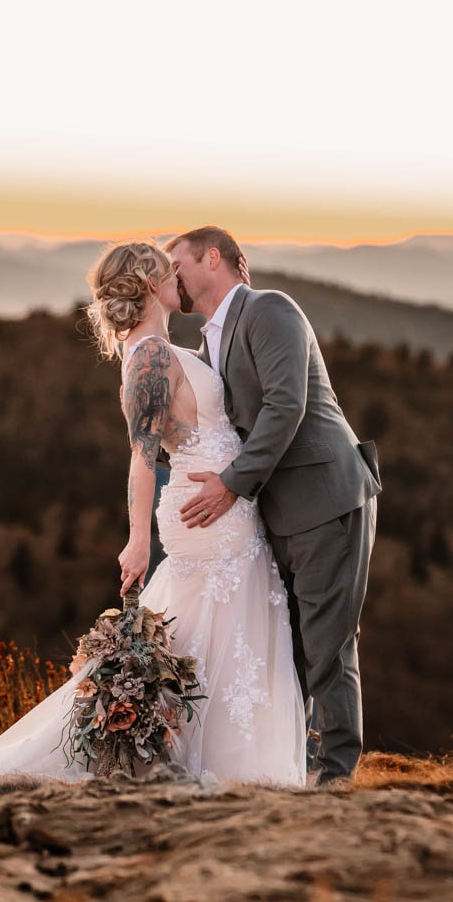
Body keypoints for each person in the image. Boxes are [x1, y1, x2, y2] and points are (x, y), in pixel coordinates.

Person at [0, 241, 306, 789]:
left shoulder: (161, 348)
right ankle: (222, 769)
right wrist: (137, 538)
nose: (178, 281)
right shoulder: (147, 357)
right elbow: (143, 457)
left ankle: (213, 761)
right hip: (203, 517)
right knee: (218, 630)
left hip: (225, 509)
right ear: (147, 285)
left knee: (213, 637)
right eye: (168, 272)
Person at [164, 226, 381, 787]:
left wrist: (231, 484)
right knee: (291, 649)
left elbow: (286, 405)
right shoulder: (210, 340)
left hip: (324, 498)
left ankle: (334, 777)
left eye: (177, 262)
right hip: (274, 515)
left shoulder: (269, 310)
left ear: (214, 258)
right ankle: (296, 764)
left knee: (327, 644)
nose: (173, 276)